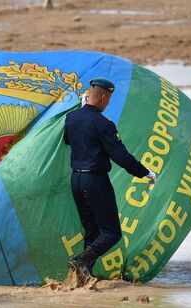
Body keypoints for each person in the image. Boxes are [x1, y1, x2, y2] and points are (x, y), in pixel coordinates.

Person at [64, 78, 157, 280]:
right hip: (95, 181)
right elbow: (120, 156)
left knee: (92, 231)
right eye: (109, 99)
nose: (107, 104)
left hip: (76, 180)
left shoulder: (71, 117)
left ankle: (82, 277)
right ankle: (80, 261)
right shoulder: (103, 124)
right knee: (111, 232)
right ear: (104, 96)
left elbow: (68, 140)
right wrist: (145, 172)